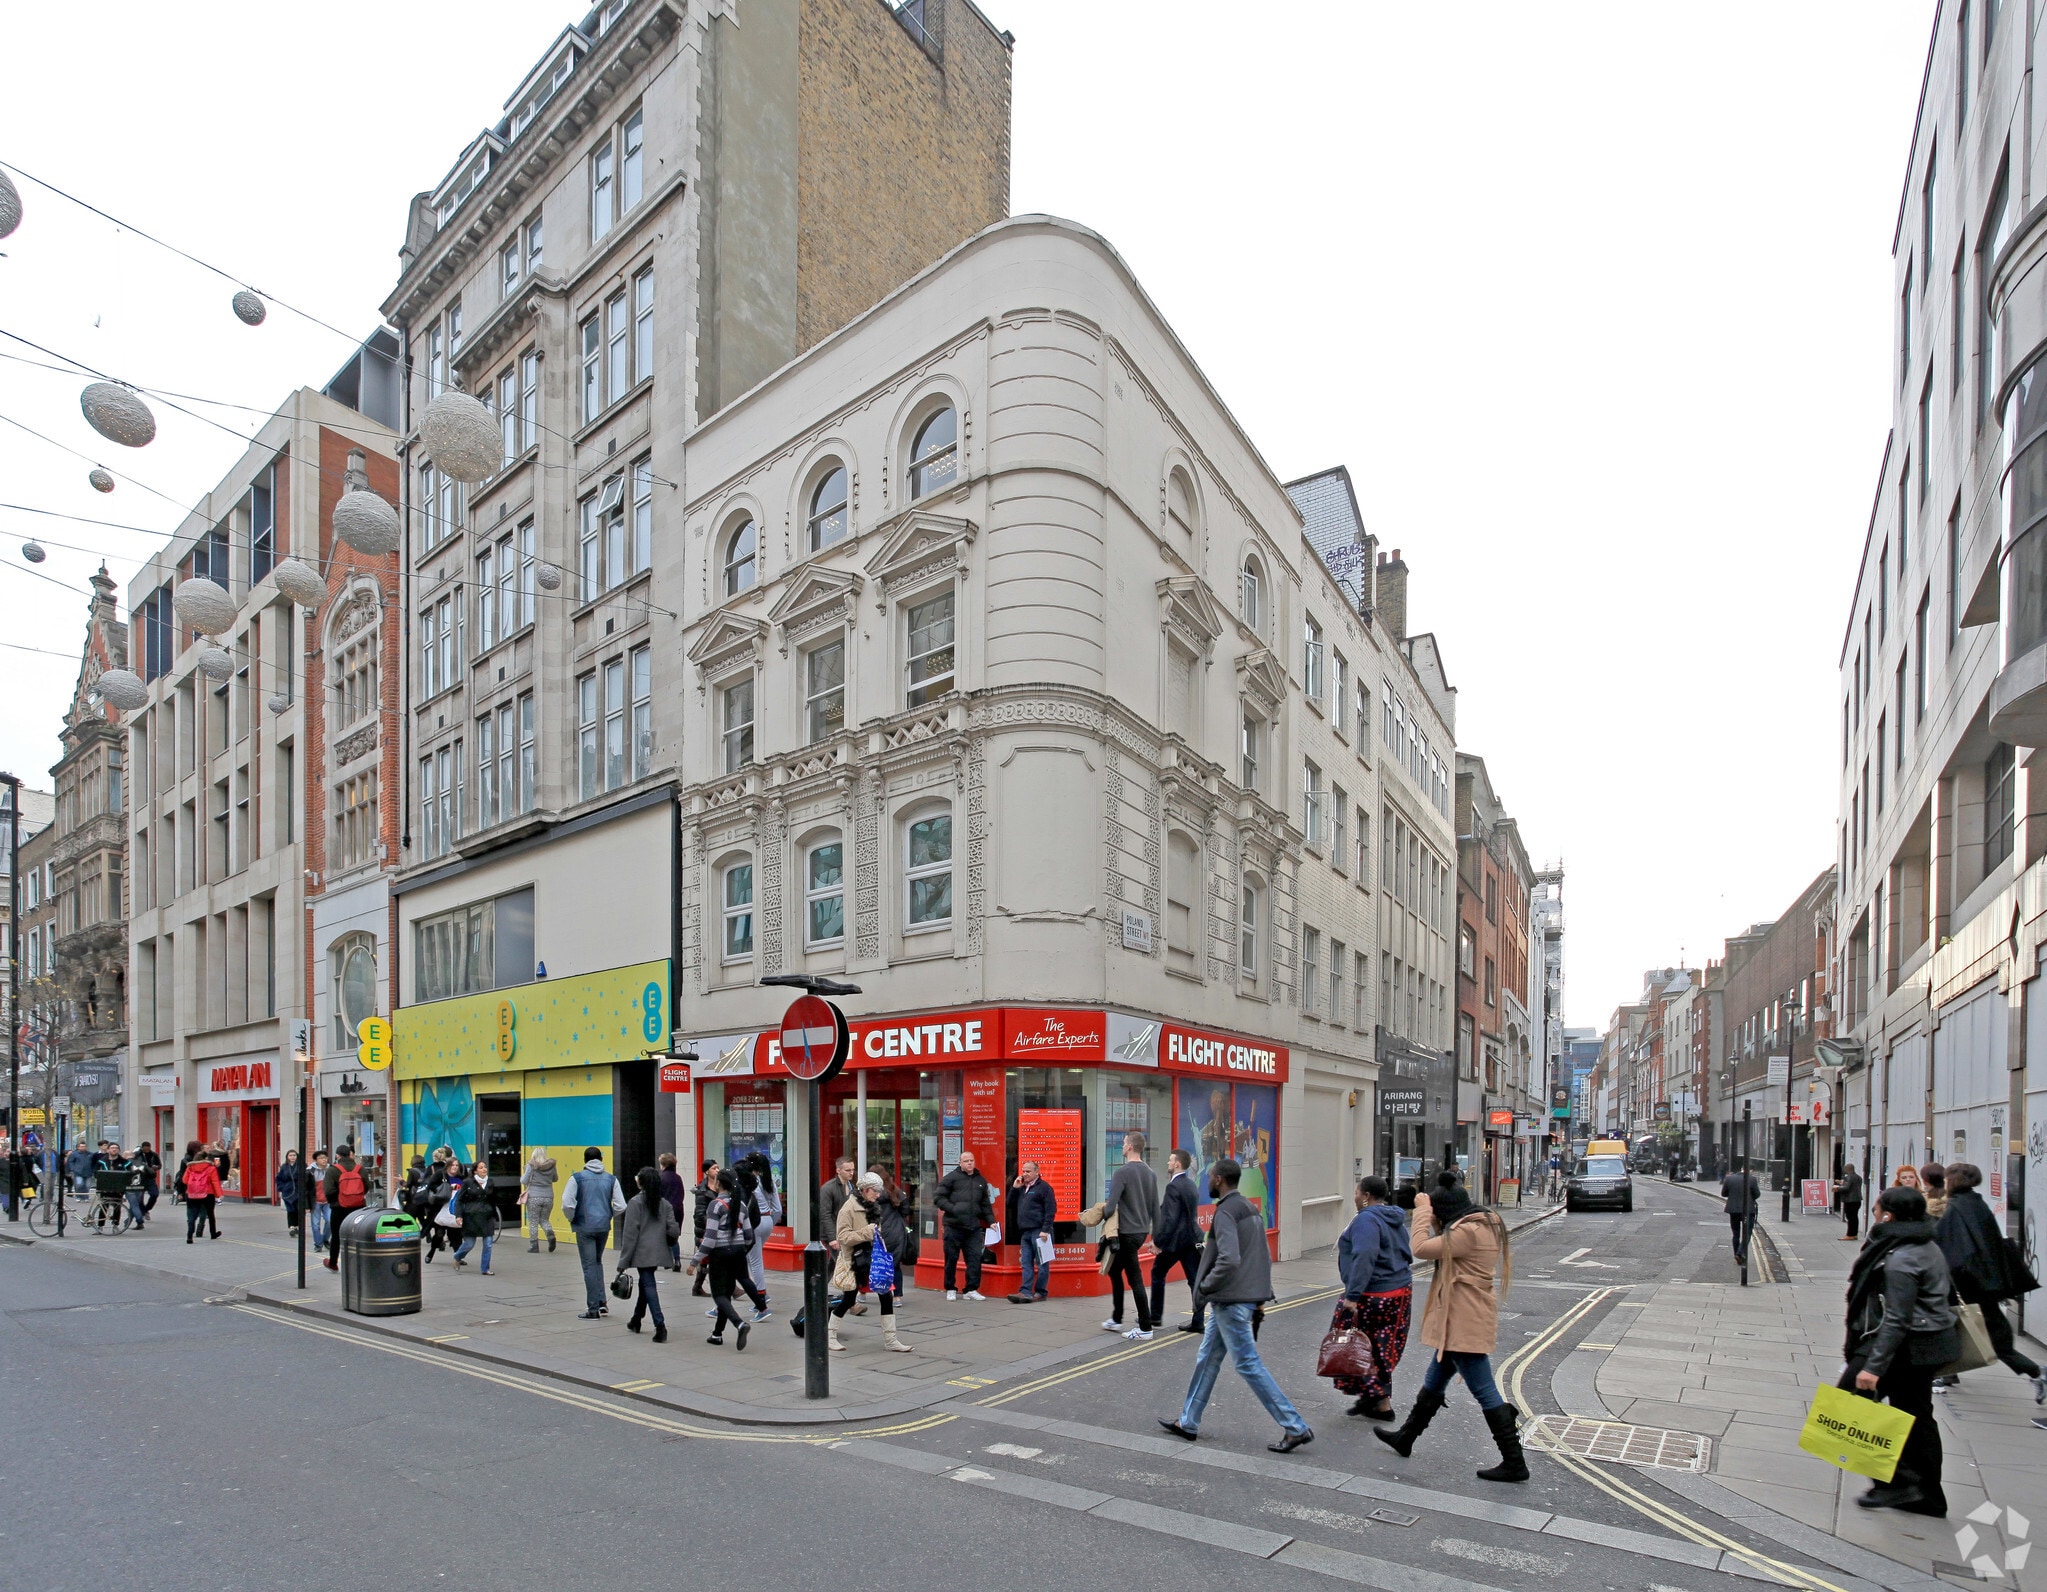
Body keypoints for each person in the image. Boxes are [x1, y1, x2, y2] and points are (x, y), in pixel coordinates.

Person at [1372, 1171, 1525, 1483]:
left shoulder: (1467, 1232)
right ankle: (1406, 1436)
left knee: (1484, 1390)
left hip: (1463, 1321)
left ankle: (1514, 1460)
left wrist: (1423, 1210)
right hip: (1459, 1318)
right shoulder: (1480, 1224)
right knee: (1435, 1378)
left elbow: (1420, 1247)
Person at [1157, 1158, 1311, 1453]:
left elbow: (1229, 1258)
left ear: (1218, 1179)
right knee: (1208, 1357)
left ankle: (1295, 1427)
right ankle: (1188, 1421)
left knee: (1247, 1363)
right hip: (1236, 1299)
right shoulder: (1249, 1208)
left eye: (1210, 1177)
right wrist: (1262, 1295)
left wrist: (1205, 1286)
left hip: (1230, 1300)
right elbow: (1261, 1255)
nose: (1207, 1181)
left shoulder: (1225, 1212)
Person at [1841, 1183, 1957, 1515]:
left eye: (1877, 1207)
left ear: (1888, 1215)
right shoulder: (1921, 1242)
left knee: (1853, 1401)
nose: (1873, 1211)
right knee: (1916, 1416)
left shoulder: (1901, 1257)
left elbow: (1896, 1319)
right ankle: (1927, 1496)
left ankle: (1898, 1485)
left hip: (1905, 1346)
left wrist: (1873, 1367)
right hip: (1925, 1343)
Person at [1935, 1162, 2045, 1402]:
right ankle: (1948, 1372)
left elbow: (1949, 1249)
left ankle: (2036, 1372)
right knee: (1988, 1332)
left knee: (1994, 1337)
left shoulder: (1956, 1208)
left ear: (1952, 1181)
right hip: (1984, 1283)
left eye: (1946, 1179)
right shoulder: (1975, 1203)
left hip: (1969, 1286)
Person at [1331, 1174, 1413, 1420]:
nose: (1355, 1197)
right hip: (1399, 1292)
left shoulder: (1366, 1219)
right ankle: (1375, 1401)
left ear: (1366, 1196)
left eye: (1357, 1192)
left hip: (1373, 1294)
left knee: (1350, 1343)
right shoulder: (1393, 1217)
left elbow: (1365, 1256)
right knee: (1380, 1349)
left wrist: (1353, 1296)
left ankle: (1378, 1399)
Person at [830, 1171, 914, 1353]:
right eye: (875, 1191)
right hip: (855, 1261)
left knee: (886, 1296)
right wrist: (865, 1233)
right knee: (849, 1299)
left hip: (872, 1260)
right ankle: (830, 1335)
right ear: (865, 1190)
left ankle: (891, 1340)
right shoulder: (848, 1209)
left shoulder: (873, 1206)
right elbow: (843, 1237)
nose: (878, 1195)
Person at [1096, 1132, 1159, 1339]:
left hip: (1125, 1233)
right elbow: (1155, 1210)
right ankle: (1116, 1318)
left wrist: (1098, 1212)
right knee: (1115, 1271)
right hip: (1140, 1232)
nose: (1122, 1146)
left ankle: (1145, 1327)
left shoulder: (1122, 1173)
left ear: (1130, 1147)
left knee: (1135, 1279)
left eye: (1123, 1143)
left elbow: (1110, 1206)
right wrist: (1156, 1239)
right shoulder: (1150, 1173)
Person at [689, 1166, 756, 1348]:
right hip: (738, 1252)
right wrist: (740, 1250)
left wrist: (694, 1262)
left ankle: (739, 1323)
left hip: (720, 1254)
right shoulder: (741, 1204)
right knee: (726, 1293)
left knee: (719, 1295)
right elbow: (750, 1236)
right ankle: (717, 1334)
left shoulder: (716, 1205)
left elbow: (710, 1239)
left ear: (718, 1183)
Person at [615, 1167, 681, 1341]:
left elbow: (630, 1235)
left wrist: (623, 1262)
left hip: (642, 1252)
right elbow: (674, 1229)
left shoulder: (635, 1203)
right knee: (645, 1285)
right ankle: (636, 1319)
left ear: (641, 1183)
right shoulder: (664, 1204)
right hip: (659, 1251)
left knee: (648, 1285)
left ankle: (660, 1325)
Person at [563, 1147, 626, 1320]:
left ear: (585, 1160)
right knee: (597, 1262)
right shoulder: (611, 1179)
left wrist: (572, 1218)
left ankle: (593, 1309)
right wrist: (608, 1215)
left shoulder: (577, 1178)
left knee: (589, 1266)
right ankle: (601, 1302)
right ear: (601, 1159)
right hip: (603, 1227)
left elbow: (567, 1204)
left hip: (584, 1226)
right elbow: (621, 1205)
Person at [1148, 1149, 1203, 1330]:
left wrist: (1158, 1242)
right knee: (1194, 1281)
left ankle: (1155, 1317)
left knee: (1157, 1273)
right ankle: (1198, 1321)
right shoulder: (1190, 1184)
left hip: (1175, 1243)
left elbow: (1170, 1219)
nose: (1168, 1163)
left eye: (1171, 1160)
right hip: (1191, 1241)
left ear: (1177, 1164)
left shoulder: (1173, 1187)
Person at [934, 1150, 994, 1301]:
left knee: (974, 1259)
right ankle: (950, 1288)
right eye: (966, 1161)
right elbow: (938, 1197)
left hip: (973, 1227)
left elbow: (985, 1204)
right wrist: (953, 1209)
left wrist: (991, 1221)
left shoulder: (980, 1180)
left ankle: (971, 1289)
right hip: (953, 1226)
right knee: (951, 1259)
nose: (969, 1163)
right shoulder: (951, 1178)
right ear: (960, 1163)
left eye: (971, 1160)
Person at [1009, 1160, 1058, 1304]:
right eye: (1023, 1171)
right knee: (1026, 1262)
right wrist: (1014, 1188)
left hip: (1040, 1231)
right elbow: (1009, 1204)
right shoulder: (1022, 1188)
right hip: (1026, 1231)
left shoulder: (1044, 1188)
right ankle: (1025, 1291)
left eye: (1028, 1171)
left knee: (1042, 1264)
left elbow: (1051, 1210)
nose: (1025, 1174)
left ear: (1037, 1172)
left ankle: (1041, 1292)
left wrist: (1045, 1230)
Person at [320, 1146, 369, 1271]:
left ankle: (333, 1262)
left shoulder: (333, 1170)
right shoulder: (360, 1169)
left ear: (338, 1156)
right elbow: (367, 1187)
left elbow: (329, 1190)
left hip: (339, 1208)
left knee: (336, 1235)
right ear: (350, 1154)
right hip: (358, 1207)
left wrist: (335, 1201)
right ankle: (360, 1262)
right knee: (358, 1234)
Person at [743, 1153, 780, 1312]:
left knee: (754, 1260)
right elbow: (777, 1208)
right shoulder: (769, 1181)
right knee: (752, 1258)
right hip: (767, 1221)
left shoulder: (749, 1181)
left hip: (754, 1222)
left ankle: (761, 1295)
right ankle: (760, 1293)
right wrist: (771, 1221)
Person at [452, 1162, 499, 1274]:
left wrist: (495, 1215)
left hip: (487, 1216)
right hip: (471, 1217)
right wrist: (458, 1215)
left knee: (488, 1243)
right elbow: (459, 1200)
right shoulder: (468, 1182)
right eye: (481, 1167)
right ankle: (457, 1257)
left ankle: (485, 1268)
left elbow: (493, 1200)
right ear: (475, 1171)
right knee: (469, 1244)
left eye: (485, 1167)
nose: (484, 1169)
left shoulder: (490, 1182)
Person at [1721, 1157, 1761, 1265]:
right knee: (1747, 1233)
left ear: (1741, 1168)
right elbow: (1757, 1194)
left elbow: (1723, 1194)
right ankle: (1739, 1253)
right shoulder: (1752, 1179)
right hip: (1748, 1211)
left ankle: (1736, 1254)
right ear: (1751, 1170)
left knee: (1736, 1233)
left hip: (1733, 1210)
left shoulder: (1729, 1178)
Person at [690, 1159, 719, 1298]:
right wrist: (715, 1221)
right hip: (705, 1230)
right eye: (714, 1168)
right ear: (707, 1171)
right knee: (708, 1259)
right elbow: (700, 1215)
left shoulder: (721, 1187)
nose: (717, 1170)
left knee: (707, 1260)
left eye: (718, 1167)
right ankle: (729, 1289)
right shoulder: (702, 1191)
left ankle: (697, 1287)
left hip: (717, 1229)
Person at [180, 1151, 223, 1243]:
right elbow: (215, 1182)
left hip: (191, 1194)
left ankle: (189, 1236)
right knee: (210, 1214)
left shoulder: (190, 1167)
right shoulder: (211, 1168)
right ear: (206, 1158)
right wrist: (219, 1194)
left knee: (193, 1215)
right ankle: (213, 1233)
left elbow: (184, 1180)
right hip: (208, 1193)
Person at [521, 1150, 558, 1254]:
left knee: (533, 1221)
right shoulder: (551, 1165)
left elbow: (524, 1181)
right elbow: (555, 1178)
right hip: (548, 1197)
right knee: (544, 1219)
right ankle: (550, 1233)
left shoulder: (531, 1165)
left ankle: (534, 1246)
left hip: (534, 1196)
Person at [656, 1153, 688, 1270]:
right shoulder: (678, 1178)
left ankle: (666, 1261)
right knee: (674, 1236)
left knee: (661, 1235)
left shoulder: (660, 1178)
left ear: (662, 1164)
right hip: (678, 1209)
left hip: (665, 1210)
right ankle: (677, 1260)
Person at [307, 1150, 333, 1252]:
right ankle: (318, 1244)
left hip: (328, 1201)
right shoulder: (310, 1171)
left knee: (330, 1221)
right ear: (316, 1160)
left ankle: (325, 1239)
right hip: (315, 1201)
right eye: (321, 1158)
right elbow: (306, 1189)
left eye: (325, 1158)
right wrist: (306, 1205)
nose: (324, 1160)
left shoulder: (331, 1169)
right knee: (315, 1224)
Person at [1835, 1160, 1866, 1242]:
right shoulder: (1858, 1177)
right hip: (1857, 1200)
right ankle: (1854, 1234)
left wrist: (1837, 1188)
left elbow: (1847, 1188)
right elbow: (1852, 1186)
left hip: (1849, 1200)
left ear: (1848, 1169)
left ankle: (1850, 1234)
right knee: (1854, 1217)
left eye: (1845, 1168)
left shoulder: (1849, 1177)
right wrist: (1842, 1183)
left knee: (1850, 1218)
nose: (1844, 1170)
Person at [276, 1149, 303, 1234]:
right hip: (288, 1192)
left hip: (298, 1191)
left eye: (294, 1155)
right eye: (290, 1155)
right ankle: (292, 1227)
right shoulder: (284, 1167)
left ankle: (299, 1226)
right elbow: (279, 1178)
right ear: (287, 1157)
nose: (292, 1157)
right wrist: (282, 1188)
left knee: (298, 1209)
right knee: (290, 1210)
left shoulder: (301, 1166)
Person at [132, 1141, 161, 1216]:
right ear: (142, 1148)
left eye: (148, 1149)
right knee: (139, 1197)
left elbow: (159, 1165)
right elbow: (133, 1160)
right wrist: (138, 1152)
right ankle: (142, 1211)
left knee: (154, 1194)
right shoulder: (138, 1154)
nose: (147, 1151)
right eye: (145, 1149)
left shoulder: (153, 1155)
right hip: (139, 1177)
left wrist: (156, 1167)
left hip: (150, 1177)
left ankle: (146, 1209)